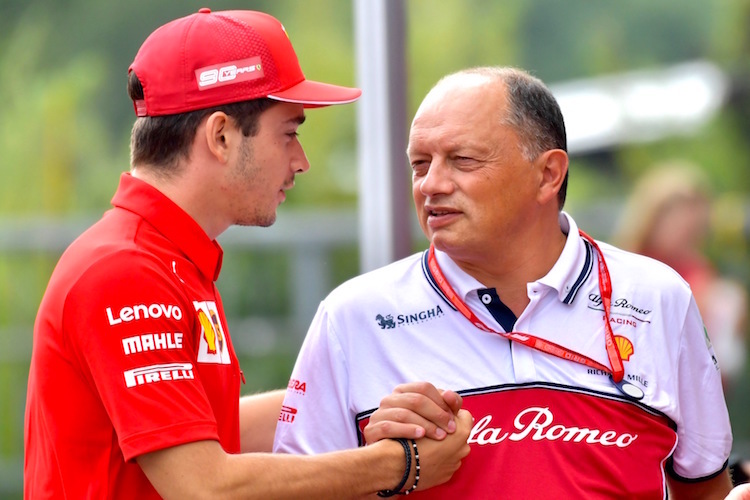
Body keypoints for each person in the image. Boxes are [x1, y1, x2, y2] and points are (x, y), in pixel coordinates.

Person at [23, 9, 472, 498]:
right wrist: (397, 465)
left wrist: (354, 401)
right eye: (289, 133)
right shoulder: (125, 270)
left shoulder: (159, 258)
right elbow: (205, 487)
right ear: (221, 136)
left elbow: (193, 426)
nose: (301, 161)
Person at [273, 66, 735, 498]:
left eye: (462, 160)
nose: (430, 184)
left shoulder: (658, 297)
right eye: (419, 164)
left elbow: (703, 483)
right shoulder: (353, 315)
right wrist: (381, 470)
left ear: (548, 174)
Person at [612, 162, 748, 392]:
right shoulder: (623, 267)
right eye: (680, 223)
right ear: (652, 218)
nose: (687, 232)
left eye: (695, 230)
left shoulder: (699, 270)